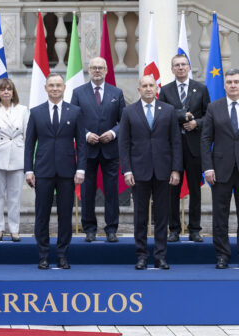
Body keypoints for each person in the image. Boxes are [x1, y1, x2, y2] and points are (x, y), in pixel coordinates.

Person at [119, 75, 182, 270]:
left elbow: (176, 142)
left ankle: (160, 256)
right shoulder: (129, 112)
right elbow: (124, 144)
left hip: (164, 171)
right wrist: (127, 170)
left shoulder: (169, 110)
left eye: (151, 85)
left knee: (162, 215)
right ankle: (141, 256)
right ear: (138, 89)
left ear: (157, 88)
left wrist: (176, 169)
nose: (148, 89)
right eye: (144, 86)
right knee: (140, 216)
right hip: (139, 172)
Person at [24, 73, 86, 270]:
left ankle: (62, 255)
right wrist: (28, 170)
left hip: (67, 171)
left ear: (64, 88)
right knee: (42, 215)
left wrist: (81, 169)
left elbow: (82, 144)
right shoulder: (36, 112)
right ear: (45, 88)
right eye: (51, 85)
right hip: (42, 171)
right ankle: (43, 255)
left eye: (58, 85)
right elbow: (29, 144)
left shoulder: (75, 111)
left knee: (65, 215)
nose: (55, 88)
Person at [71, 56, 126, 242]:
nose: (97, 71)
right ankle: (89, 229)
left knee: (111, 191)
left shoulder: (116, 93)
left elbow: (123, 121)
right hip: (87, 150)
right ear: (88, 70)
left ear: (106, 71)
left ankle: (111, 229)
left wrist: (113, 132)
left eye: (100, 68)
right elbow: (74, 120)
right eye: (93, 67)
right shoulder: (78, 93)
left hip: (110, 149)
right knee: (87, 192)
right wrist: (86, 135)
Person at [159, 54, 210, 243]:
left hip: (194, 147)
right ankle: (173, 229)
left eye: (183, 65)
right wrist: (181, 115)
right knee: (173, 189)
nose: (180, 68)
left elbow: (209, 116)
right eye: (176, 65)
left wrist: (196, 123)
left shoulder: (201, 89)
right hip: (172, 148)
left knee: (195, 190)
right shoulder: (165, 90)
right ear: (172, 69)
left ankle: (194, 229)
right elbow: (163, 115)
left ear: (189, 67)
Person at [201, 69, 239, 269]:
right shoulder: (214, 108)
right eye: (230, 82)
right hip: (220, 170)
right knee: (220, 216)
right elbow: (206, 139)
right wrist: (207, 167)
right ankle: (222, 255)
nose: (233, 85)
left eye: (236, 82)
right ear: (224, 85)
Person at [0, 78, 28, 242]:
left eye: (9, 89)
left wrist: (28, 160)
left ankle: (14, 229)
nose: (6, 92)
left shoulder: (22, 110)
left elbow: (27, 136)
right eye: (3, 90)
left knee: (15, 197)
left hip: (17, 155)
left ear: (13, 92)